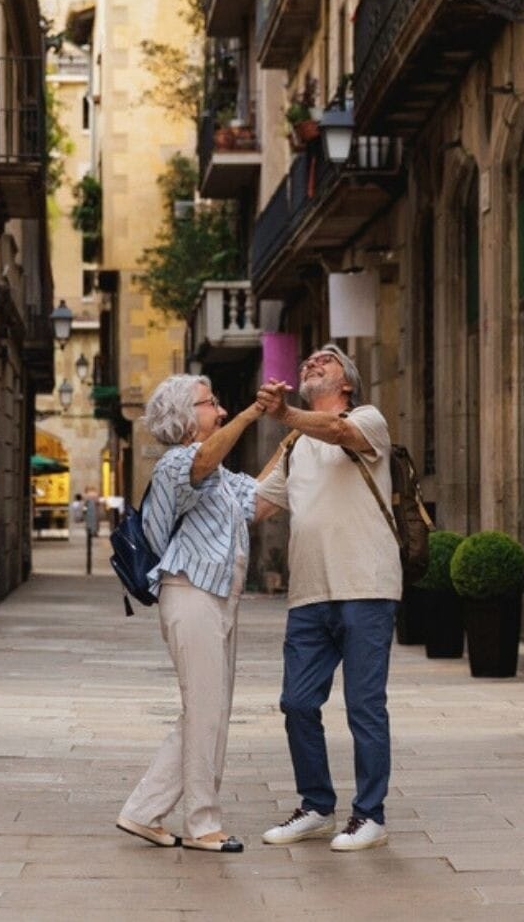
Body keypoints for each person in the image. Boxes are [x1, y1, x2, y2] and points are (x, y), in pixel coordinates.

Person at [115, 375, 274, 853]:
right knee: (205, 710)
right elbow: (203, 461)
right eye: (212, 404)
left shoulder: (221, 477)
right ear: (186, 416)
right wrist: (253, 413)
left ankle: (143, 812)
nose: (221, 410)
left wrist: (295, 435)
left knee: (209, 711)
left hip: (220, 597)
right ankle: (203, 824)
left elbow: (261, 501)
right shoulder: (177, 463)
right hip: (189, 592)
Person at [252, 344, 398, 852]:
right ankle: (316, 806)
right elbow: (253, 507)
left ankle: (370, 815)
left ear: (347, 384)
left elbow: (339, 433)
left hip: (367, 587)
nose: (313, 361)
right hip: (309, 594)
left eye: (327, 360)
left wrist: (287, 414)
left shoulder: (367, 419)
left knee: (364, 707)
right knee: (296, 703)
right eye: (308, 360)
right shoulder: (294, 446)